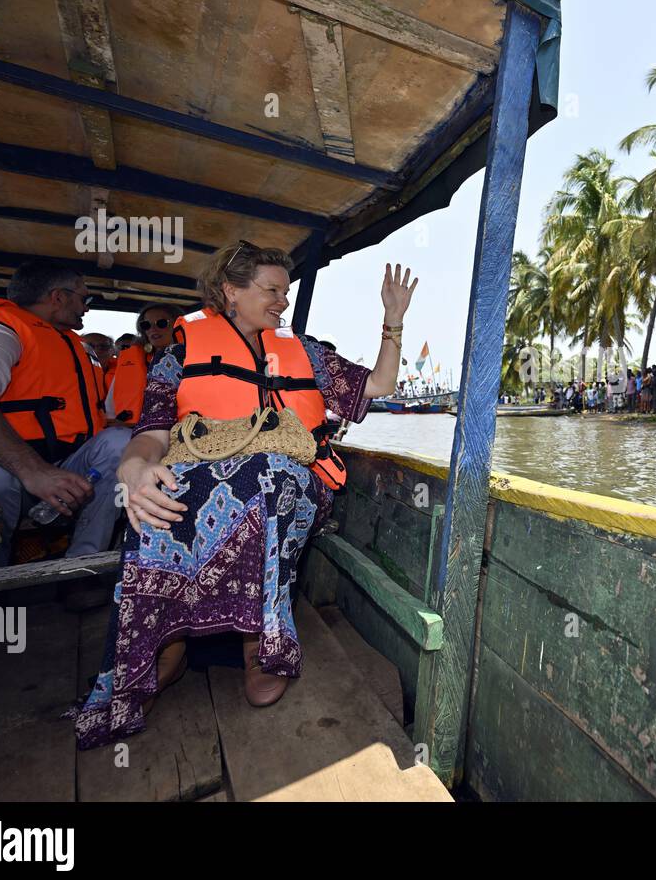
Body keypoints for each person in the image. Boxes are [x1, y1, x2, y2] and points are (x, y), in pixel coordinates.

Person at [73, 243, 410, 749]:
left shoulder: (306, 350)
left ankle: (259, 644)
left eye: (287, 291)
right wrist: (134, 466)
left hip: (291, 479)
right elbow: (155, 430)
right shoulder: (180, 352)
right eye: (272, 290)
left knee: (263, 476)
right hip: (203, 472)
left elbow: (379, 383)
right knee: (158, 496)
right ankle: (166, 645)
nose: (283, 301)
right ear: (231, 290)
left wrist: (393, 319)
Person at [0, 263, 129, 568]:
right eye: (84, 299)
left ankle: (84, 565)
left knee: (123, 442)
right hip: (3, 465)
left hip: (69, 464)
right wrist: (35, 472)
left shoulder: (75, 345)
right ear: (58, 297)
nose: (85, 308)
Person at [108, 303, 181, 426]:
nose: (153, 329)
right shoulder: (130, 362)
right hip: (130, 429)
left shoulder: (195, 357)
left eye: (161, 323)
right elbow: (110, 409)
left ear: (178, 325)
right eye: (146, 325)